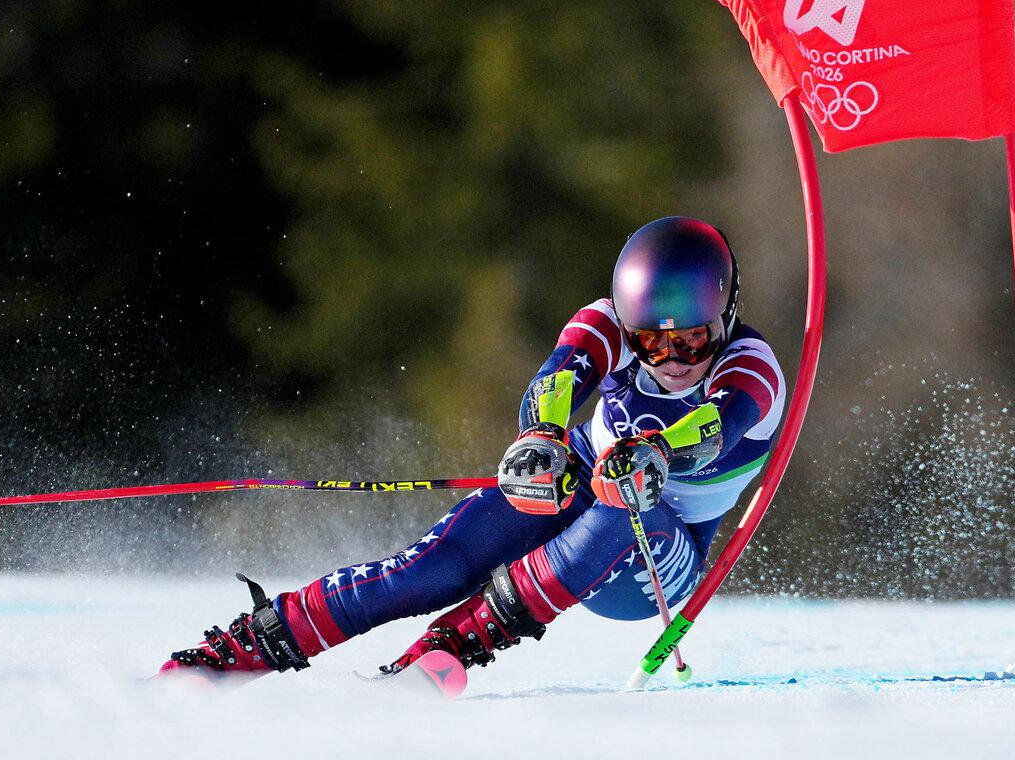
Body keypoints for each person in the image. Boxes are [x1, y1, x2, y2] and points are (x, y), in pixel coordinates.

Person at [157, 216, 785, 684]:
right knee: (433, 570)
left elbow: (716, 428)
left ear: (726, 315)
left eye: (693, 341)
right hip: (581, 489)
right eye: (651, 343)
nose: (671, 359)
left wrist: (656, 452)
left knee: (631, 499)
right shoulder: (607, 324)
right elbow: (557, 380)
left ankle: (457, 642)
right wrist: (542, 439)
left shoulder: (752, 367)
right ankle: (250, 647)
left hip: (654, 557)